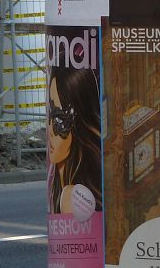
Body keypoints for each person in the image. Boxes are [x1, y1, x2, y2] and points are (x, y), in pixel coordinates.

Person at [48, 65, 102, 215]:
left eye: (59, 119)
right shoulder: (63, 186)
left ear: (79, 124)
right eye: (50, 114)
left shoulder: (71, 196)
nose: (50, 130)